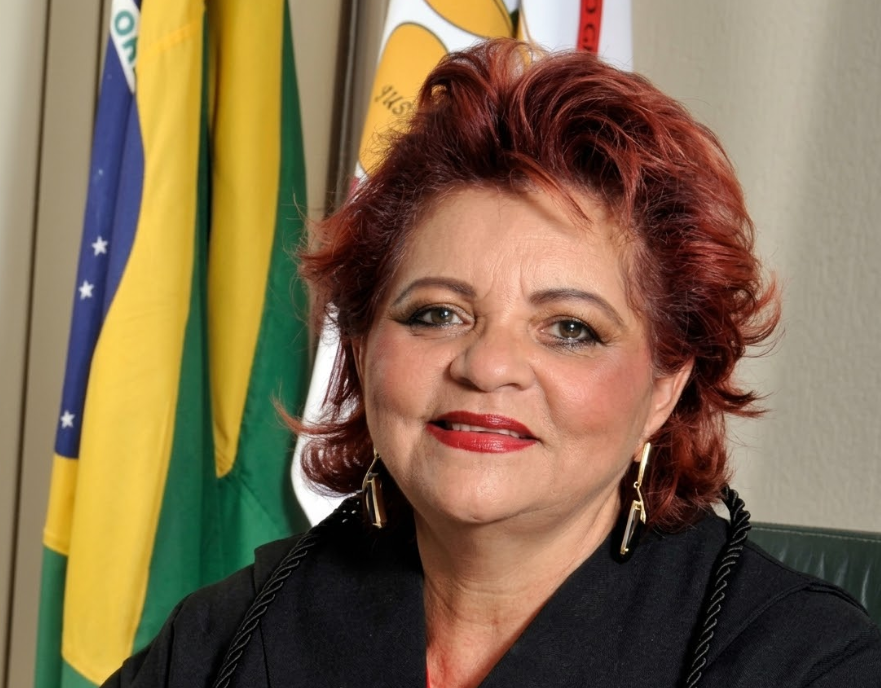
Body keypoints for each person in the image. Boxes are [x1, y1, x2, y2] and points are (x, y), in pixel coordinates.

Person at [102, 39, 881, 688]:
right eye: (436, 313)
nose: (487, 365)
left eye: (569, 328)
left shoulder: (806, 664)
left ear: (664, 385)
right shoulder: (229, 636)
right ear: (363, 348)